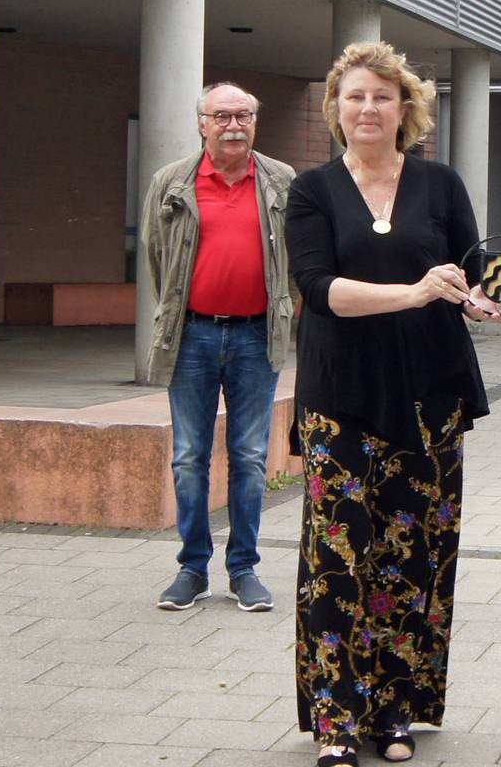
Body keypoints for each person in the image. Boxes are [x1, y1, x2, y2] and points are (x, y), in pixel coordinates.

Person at [284, 41, 501, 766]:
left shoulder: (441, 184)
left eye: (383, 95)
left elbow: (472, 274)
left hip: (429, 394)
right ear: (335, 111)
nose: (369, 108)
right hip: (340, 394)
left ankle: (396, 712)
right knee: (338, 561)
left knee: (413, 560)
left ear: (407, 108)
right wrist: (413, 291)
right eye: (355, 96)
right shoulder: (313, 190)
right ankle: (338, 720)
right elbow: (319, 290)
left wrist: (480, 301)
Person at [140, 81, 298, 613]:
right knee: (189, 456)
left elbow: (298, 260)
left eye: (244, 116)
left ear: (256, 121)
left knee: (251, 457)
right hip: (192, 335)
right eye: (222, 116)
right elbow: (157, 259)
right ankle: (191, 568)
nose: (234, 125)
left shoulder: (281, 181)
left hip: (257, 335)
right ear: (202, 122)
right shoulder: (171, 183)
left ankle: (244, 568)